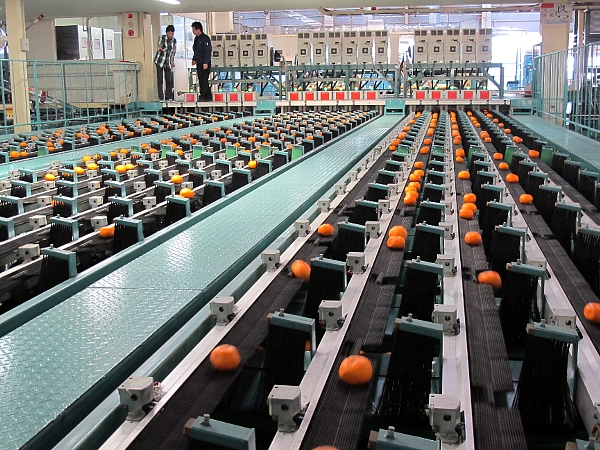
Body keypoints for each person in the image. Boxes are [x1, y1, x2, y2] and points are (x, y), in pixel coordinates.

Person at [154, 24, 176, 101]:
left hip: (168, 62)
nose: (171, 35)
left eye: (172, 33)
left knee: (169, 80)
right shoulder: (162, 38)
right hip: (160, 61)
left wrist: (172, 61)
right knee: (160, 79)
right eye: (169, 33)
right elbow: (160, 45)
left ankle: (168, 96)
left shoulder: (174, 40)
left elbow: (173, 52)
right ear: (166, 33)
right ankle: (161, 97)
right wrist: (160, 47)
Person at [191, 22, 212, 102]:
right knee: (201, 79)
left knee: (204, 79)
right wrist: (194, 59)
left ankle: (203, 95)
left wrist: (206, 62)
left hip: (205, 62)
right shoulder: (196, 39)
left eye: (194, 29)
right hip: (199, 62)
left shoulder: (205, 39)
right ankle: (208, 95)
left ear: (198, 29)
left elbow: (207, 51)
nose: (193, 31)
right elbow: (196, 50)